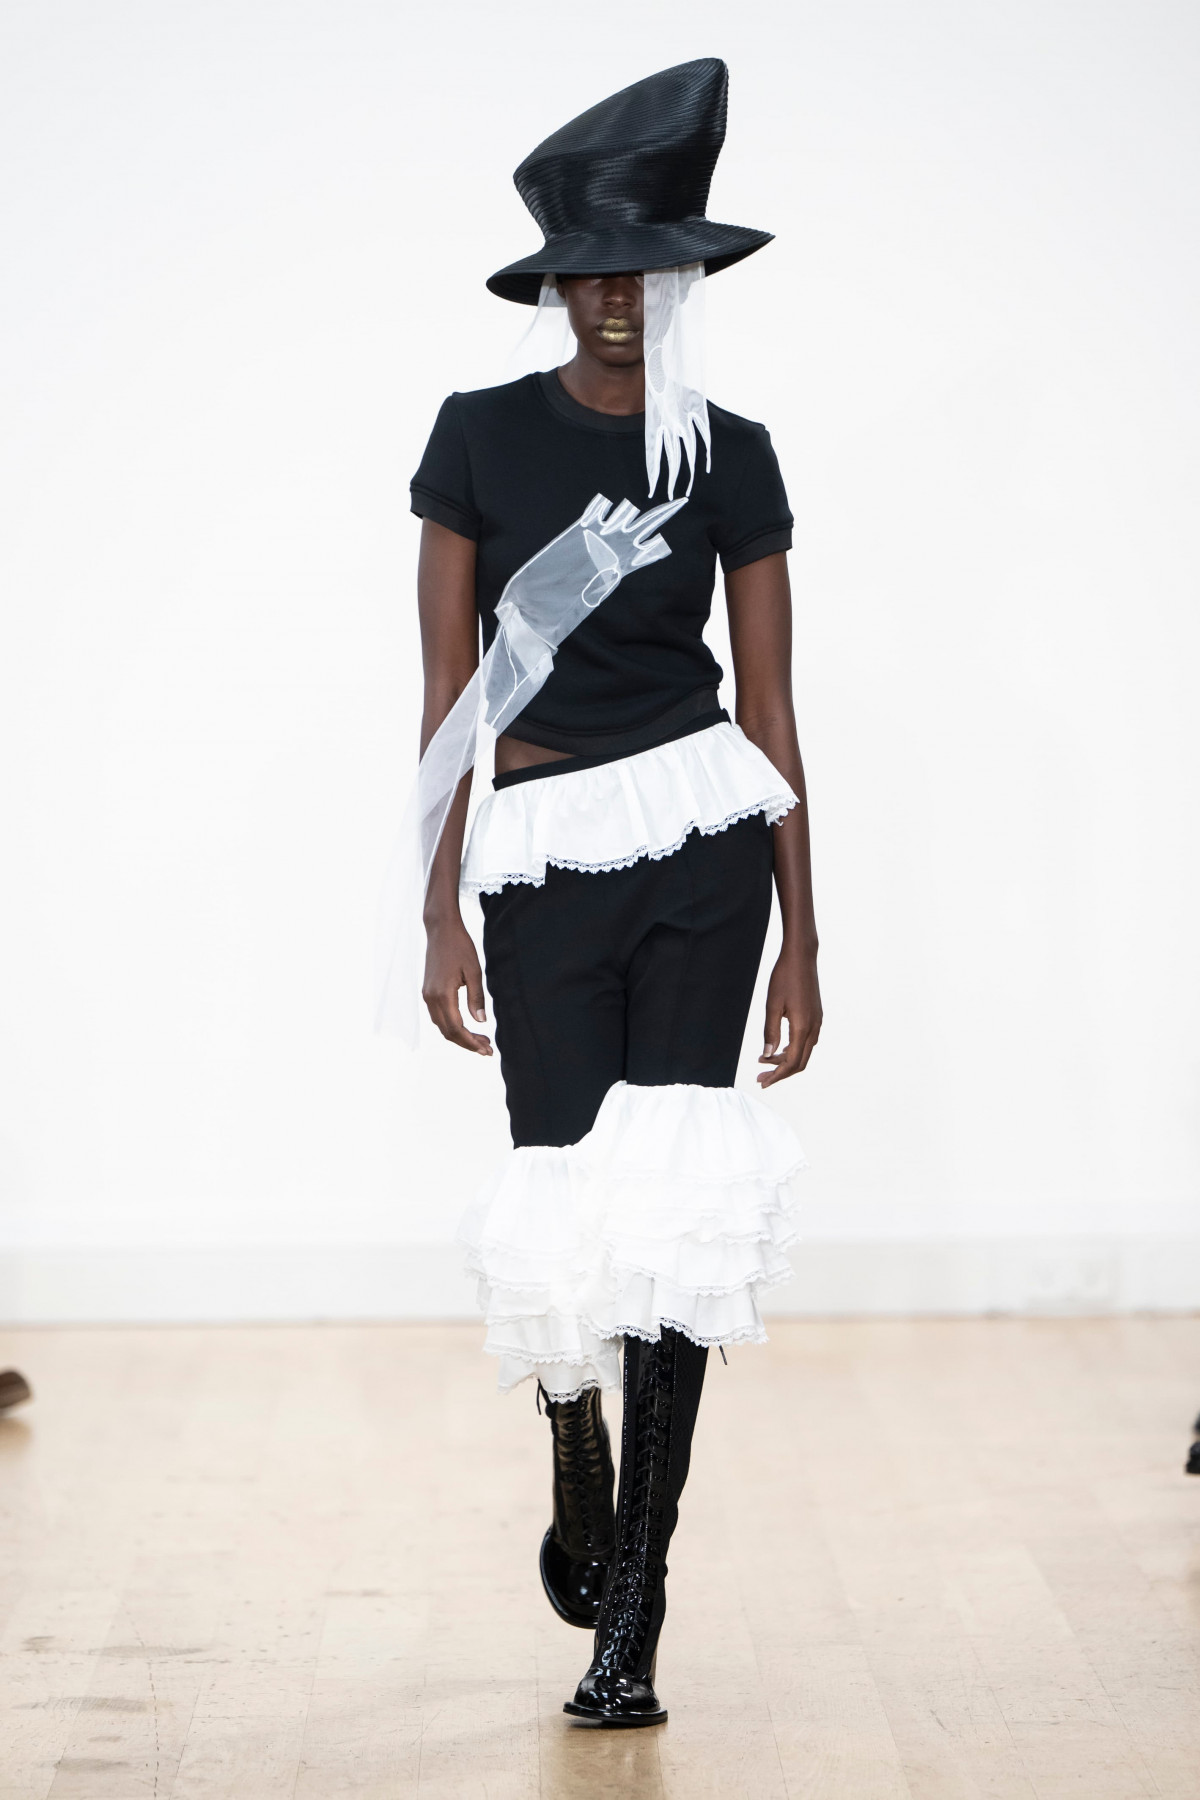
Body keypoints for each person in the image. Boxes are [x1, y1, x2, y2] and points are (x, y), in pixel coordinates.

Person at [401, 58, 821, 1727]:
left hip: (706, 848)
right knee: (564, 1192)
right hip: (542, 860)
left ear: (684, 277)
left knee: (675, 1216)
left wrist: (806, 930)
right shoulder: (478, 437)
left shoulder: (730, 454)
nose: (618, 299)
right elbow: (449, 695)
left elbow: (772, 702)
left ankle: (634, 1609)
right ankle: (569, 1426)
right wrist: (437, 905)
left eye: (646, 270)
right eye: (590, 272)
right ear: (554, 286)